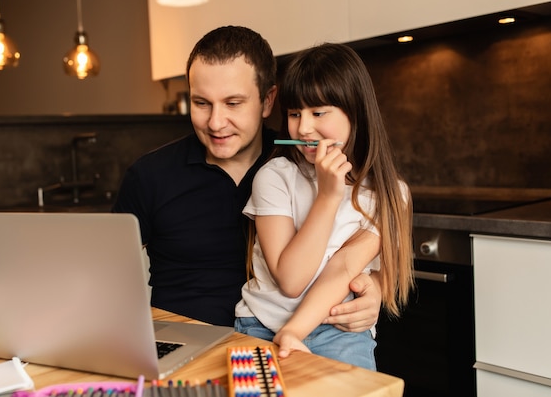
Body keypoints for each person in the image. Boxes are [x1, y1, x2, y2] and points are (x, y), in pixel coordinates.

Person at [112, 26, 382, 331]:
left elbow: (353, 243)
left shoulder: (300, 165)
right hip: (182, 341)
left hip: (278, 344)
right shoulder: (149, 175)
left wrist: (373, 288)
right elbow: (103, 275)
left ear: (268, 101)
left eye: (233, 103)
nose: (215, 122)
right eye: (201, 103)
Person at [234, 43, 414, 369]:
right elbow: (291, 280)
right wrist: (327, 197)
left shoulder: (390, 193)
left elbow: (343, 268)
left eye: (318, 113)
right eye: (293, 114)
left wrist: (294, 332)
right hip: (261, 325)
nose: (303, 128)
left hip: (340, 332)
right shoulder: (275, 177)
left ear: (355, 112)